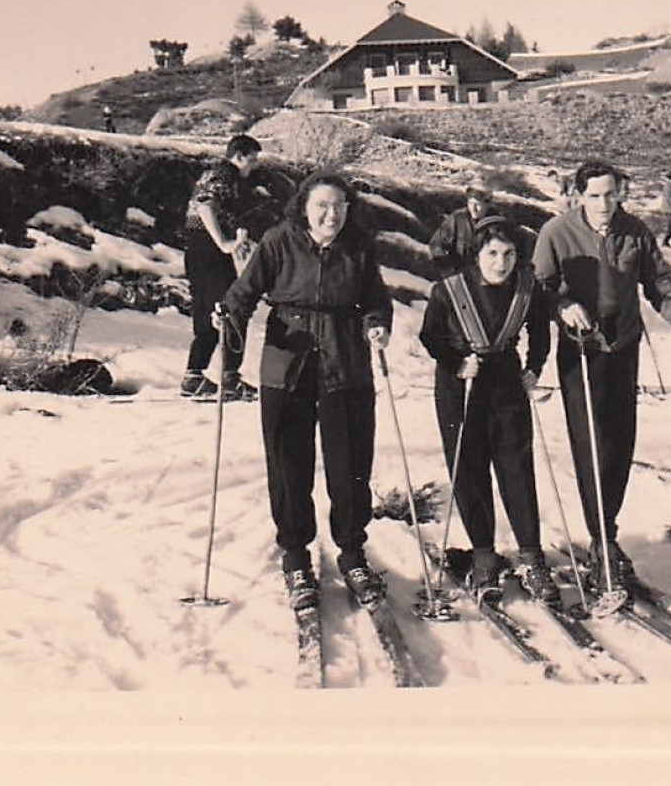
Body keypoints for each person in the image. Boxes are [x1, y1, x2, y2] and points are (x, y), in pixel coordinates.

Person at [218, 172, 394, 609]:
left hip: (346, 363)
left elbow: (376, 299)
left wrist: (376, 324)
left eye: (339, 206)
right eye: (322, 205)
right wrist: (228, 319)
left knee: (350, 465)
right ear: (304, 207)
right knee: (288, 463)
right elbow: (244, 292)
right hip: (287, 363)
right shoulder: (280, 240)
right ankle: (295, 557)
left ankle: (352, 553)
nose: (330, 214)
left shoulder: (358, 246)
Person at [532, 160, 671, 588]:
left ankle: (607, 530)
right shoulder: (557, 233)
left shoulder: (635, 230)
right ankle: (603, 540)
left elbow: (658, 281)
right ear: (578, 196)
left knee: (620, 442)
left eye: (610, 194)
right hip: (581, 351)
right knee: (591, 444)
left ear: (620, 192)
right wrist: (563, 305)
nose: (603, 204)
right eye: (594, 195)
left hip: (623, 346)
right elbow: (540, 286)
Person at [418, 217, 560, 606]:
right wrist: (457, 361)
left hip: (505, 379)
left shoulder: (526, 289)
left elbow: (541, 331)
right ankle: (483, 553)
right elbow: (430, 336)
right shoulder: (449, 290)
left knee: (516, 464)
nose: (501, 263)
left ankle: (531, 556)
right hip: (460, 383)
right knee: (468, 466)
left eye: (509, 254)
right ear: (476, 254)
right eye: (492, 254)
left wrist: (534, 368)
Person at [182, 134, 261, 401]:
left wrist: (237, 240)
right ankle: (225, 377)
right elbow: (205, 206)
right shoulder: (222, 174)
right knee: (229, 311)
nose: (253, 166)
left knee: (215, 311)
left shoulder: (221, 176)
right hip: (207, 253)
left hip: (201, 252)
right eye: (251, 160)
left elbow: (221, 212)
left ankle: (199, 376)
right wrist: (224, 243)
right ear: (238, 156)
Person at [429, 185, 492, 278]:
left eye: (478, 204)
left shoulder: (496, 222)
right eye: (470, 203)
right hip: (460, 276)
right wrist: (448, 267)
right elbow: (437, 244)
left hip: (488, 278)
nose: (473, 208)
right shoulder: (457, 219)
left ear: (487, 204)